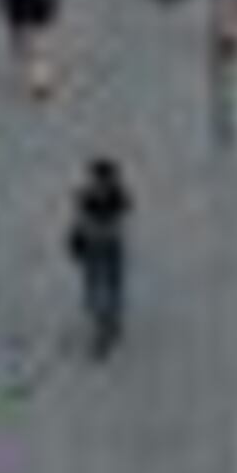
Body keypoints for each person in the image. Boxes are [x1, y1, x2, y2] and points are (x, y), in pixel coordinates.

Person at [66, 152, 132, 358]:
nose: (101, 184)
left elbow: (124, 211)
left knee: (112, 285)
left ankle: (109, 322)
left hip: (111, 247)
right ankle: (99, 319)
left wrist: (109, 223)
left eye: (105, 180)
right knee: (93, 286)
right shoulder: (85, 198)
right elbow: (78, 223)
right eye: (98, 180)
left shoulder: (118, 197)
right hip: (93, 247)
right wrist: (76, 241)